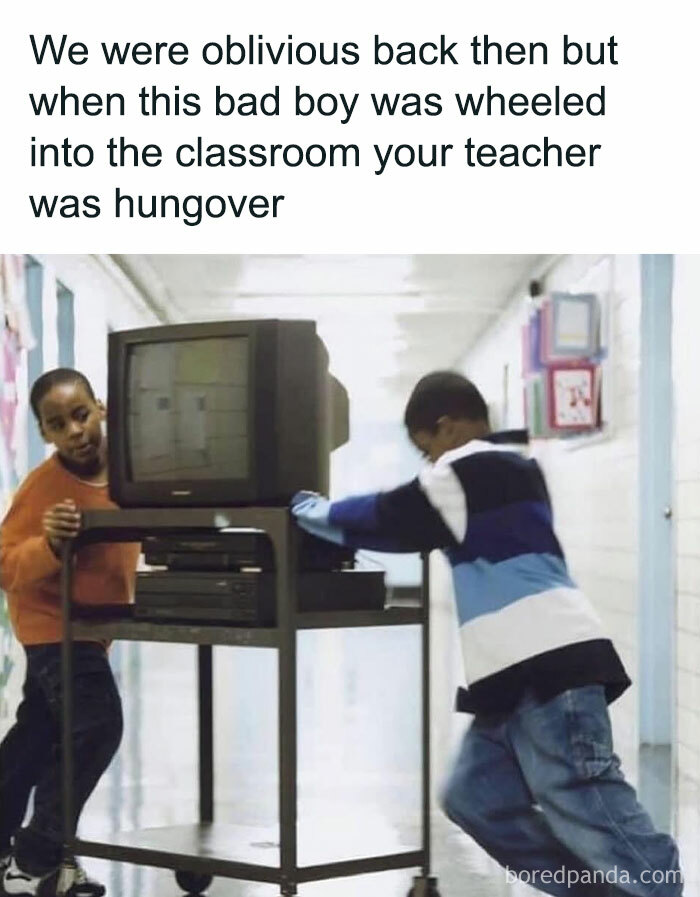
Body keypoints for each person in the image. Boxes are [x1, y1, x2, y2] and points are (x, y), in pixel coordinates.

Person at [291, 371, 683, 897]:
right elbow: (420, 522)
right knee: (474, 796)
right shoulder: (516, 469)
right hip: (511, 673)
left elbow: (386, 516)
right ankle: (598, 892)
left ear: (447, 428)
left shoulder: (465, 470)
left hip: (548, 663)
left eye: (425, 449)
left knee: (585, 800)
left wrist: (310, 511)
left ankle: (657, 887)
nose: (428, 463)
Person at [0, 369, 140, 897]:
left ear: (100, 408)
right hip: (54, 625)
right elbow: (5, 562)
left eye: (80, 415)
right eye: (58, 424)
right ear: (46, 434)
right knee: (98, 724)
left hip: (92, 624)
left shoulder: (131, 475)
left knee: (35, 738)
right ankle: (37, 858)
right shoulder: (43, 488)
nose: (75, 431)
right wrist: (51, 546)